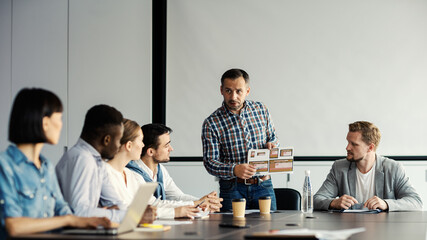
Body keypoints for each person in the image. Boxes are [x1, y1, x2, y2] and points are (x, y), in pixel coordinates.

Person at [0, 88, 110, 238]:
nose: (61, 125)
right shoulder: (5, 164)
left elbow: (62, 209)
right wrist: (67, 220)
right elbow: (14, 226)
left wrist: (95, 218)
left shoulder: (46, 167)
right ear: (45, 123)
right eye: (59, 118)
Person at [56, 105, 155, 223]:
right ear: (107, 140)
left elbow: (115, 202)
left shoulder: (97, 161)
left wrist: (134, 211)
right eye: (118, 141)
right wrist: (133, 216)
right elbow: (78, 212)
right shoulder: (82, 159)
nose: (119, 146)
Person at [202, 68, 279, 211]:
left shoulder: (261, 110)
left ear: (247, 91)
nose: (233, 97)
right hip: (232, 188)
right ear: (221, 90)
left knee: (269, 229)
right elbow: (210, 162)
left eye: (239, 91)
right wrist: (234, 169)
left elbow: (273, 138)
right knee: (232, 231)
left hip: (263, 184)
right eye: (228, 91)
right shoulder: (211, 123)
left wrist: (272, 145)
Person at [314, 121, 423, 211]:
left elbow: (416, 202)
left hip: (384, 230)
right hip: (349, 227)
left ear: (370, 147)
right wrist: (333, 202)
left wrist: (386, 204)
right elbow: (316, 200)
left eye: (354, 144)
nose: (347, 148)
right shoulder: (339, 167)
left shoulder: (393, 168)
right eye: (348, 142)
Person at [106, 120, 201, 219]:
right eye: (140, 141)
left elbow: (152, 204)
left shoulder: (130, 175)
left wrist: (195, 204)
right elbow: (125, 211)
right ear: (129, 145)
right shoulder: (105, 173)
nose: (143, 145)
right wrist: (175, 212)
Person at [127, 123, 223, 218]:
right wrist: (196, 203)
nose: (171, 149)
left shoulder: (160, 169)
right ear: (151, 151)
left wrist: (203, 202)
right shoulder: (133, 173)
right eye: (166, 146)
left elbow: (177, 197)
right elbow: (154, 204)